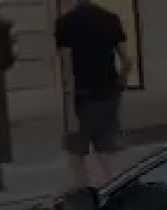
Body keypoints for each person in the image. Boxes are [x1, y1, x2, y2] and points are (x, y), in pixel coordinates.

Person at [55, 0, 133, 188]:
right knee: (107, 151)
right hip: (108, 92)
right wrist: (120, 82)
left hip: (81, 95)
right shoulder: (110, 19)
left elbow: (67, 67)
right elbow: (128, 60)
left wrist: (67, 95)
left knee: (76, 153)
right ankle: (116, 190)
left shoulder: (66, 23)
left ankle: (85, 194)